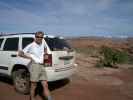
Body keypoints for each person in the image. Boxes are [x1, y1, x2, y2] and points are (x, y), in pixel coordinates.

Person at [18, 31, 52, 100]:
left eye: (41, 37)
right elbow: (20, 53)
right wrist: (30, 58)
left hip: (42, 66)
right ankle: (32, 98)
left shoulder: (43, 42)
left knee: (45, 85)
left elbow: (45, 48)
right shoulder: (31, 45)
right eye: (38, 37)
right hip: (35, 66)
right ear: (35, 37)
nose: (39, 38)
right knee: (34, 85)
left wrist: (45, 55)